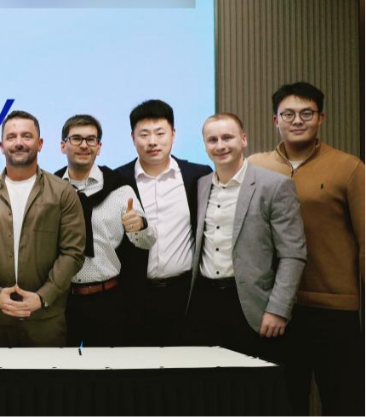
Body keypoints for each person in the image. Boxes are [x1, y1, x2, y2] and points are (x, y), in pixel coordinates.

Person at [247, 82, 365, 416]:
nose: (297, 121)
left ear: (321, 118)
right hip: (276, 309)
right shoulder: (255, 167)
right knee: (284, 403)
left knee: (343, 402)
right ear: (275, 120)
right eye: (288, 114)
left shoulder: (349, 168)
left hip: (334, 308)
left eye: (306, 113)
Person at [185, 113, 306, 363]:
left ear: (243, 140)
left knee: (251, 384)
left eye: (227, 137)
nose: (220, 146)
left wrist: (278, 309)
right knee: (209, 382)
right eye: (212, 140)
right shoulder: (201, 185)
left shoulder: (274, 186)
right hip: (205, 302)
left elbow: (293, 254)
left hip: (251, 305)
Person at [0, 110, 86, 347]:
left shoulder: (63, 193)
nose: (19, 142)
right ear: (1, 146)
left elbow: (73, 252)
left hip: (46, 319)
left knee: (48, 374)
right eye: (11, 137)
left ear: (40, 144)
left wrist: (42, 297)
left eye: (26, 136)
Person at [113, 99, 212, 346]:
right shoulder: (117, 180)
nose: (152, 141)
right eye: (144, 134)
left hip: (186, 295)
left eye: (160, 133)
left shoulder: (197, 176)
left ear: (173, 135)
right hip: (135, 296)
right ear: (132, 137)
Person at [53, 115, 155, 347]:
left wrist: (140, 226)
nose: (84, 145)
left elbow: (147, 241)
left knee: (106, 369)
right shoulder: (51, 188)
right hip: (62, 301)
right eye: (76, 139)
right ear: (63, 145)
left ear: (98, 147)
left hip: (107, 301)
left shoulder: (120, 188)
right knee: (60, 367)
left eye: (91, 139)